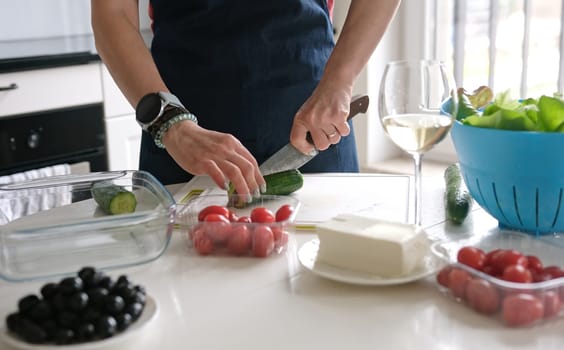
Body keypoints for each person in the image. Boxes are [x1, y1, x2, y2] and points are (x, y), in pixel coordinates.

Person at [91, 0, 401, 202]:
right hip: (180, 134)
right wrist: (170, 124)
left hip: (313, 122)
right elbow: (112, 13)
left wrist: (339, 83)